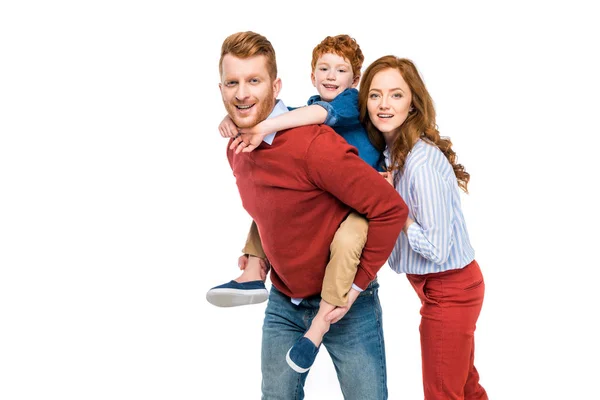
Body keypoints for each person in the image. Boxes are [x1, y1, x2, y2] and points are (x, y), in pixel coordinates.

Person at [217, 31, 407, 399]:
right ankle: (251, 272)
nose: (242, 93)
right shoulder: (238, 149)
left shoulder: (315, 142)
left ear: (276, 85)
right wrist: (261, 255)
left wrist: (356, 286)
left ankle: (322, 315)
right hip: (284, 302)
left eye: (254, 81)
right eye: (232, 82)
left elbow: (390, 209)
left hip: (349, 306)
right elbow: (277, 206)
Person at [358, 55, 488, 400]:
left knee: (442, 392)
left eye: (396, 94)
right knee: (464, 385)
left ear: (413, 102)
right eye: (375, 95)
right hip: (441, 287)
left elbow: (436, 248)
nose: (384, 104)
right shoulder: (391, 154)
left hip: (450, 288)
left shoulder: (421, 163)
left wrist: (393, 205)